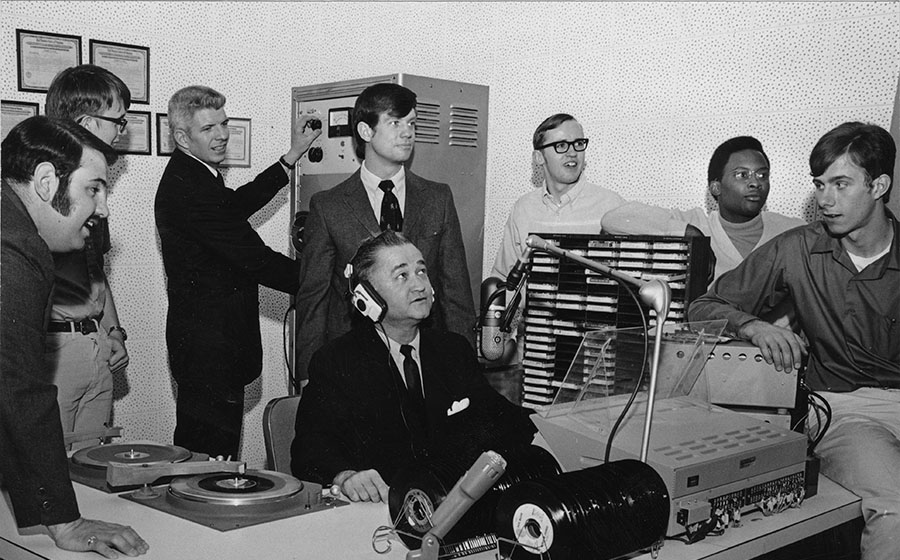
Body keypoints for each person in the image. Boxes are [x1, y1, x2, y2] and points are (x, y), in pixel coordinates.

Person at [688, 122, 899, 560]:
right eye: (820, 185)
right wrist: (752, 325)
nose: (825, 199)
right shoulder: (797, 249)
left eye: (841, 184)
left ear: (879, 185)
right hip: (847, 411)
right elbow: (703, 305)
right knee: (896, 512)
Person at [291, 231, 536, 502]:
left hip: (447, 507)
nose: (419, 285)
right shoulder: (336, 362)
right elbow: (310, 451)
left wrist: (549, 426)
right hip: (382, 512)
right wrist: (346, 476)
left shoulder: (453, 349)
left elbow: (497, 415)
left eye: (421, 271)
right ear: (367, 297)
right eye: (402, 275)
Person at [1, 116, 149, 558]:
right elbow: (16, 389)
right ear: (47, 181)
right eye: (93, 189)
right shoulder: (13, 250)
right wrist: (64, 521)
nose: (102, 209)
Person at [155, 85, 321, 459]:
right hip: (210, 348)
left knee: (210, 453)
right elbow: (255, 258)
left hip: (209, 345)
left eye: (224, 124)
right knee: (210, 459)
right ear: (182, 137)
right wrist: (324, 278)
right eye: (208, 129)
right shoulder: (189, 189)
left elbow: (235, 204)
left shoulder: (194, 174)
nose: (222, 135)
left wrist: (291, 156)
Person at [294, 83, 475, 382]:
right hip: (353, 363)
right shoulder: (329, 206)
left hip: (425, 361)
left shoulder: (437, 198)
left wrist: (466, 369)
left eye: (412, 123)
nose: (407, 133)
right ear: (366, 131)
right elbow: (313, 299)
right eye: (395, 123)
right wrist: (308, 375)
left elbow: (456, 294)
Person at [43, 65, 133, 449]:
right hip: (53, 354)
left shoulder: (96, 192)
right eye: (118, 121)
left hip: (96, 345)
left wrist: (113, 331)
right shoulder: (42, 191)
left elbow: (96, 272)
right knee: (48, 472)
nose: (121, 131)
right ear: (85, 122)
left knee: (94, 468)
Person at [602, 136, 805, 280]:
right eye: (742, 175)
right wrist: (693, 236)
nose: (755, 183)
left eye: (762, 175)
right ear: (716, 188)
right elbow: (615, 219)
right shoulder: (697, 222)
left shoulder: (793, 232)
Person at [491, 113, 625, 281]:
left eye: (578, 144)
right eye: (561, 145)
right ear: (539, 157)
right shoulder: (523, 209)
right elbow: (504, 278)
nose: (572, 153)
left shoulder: (611, 206)